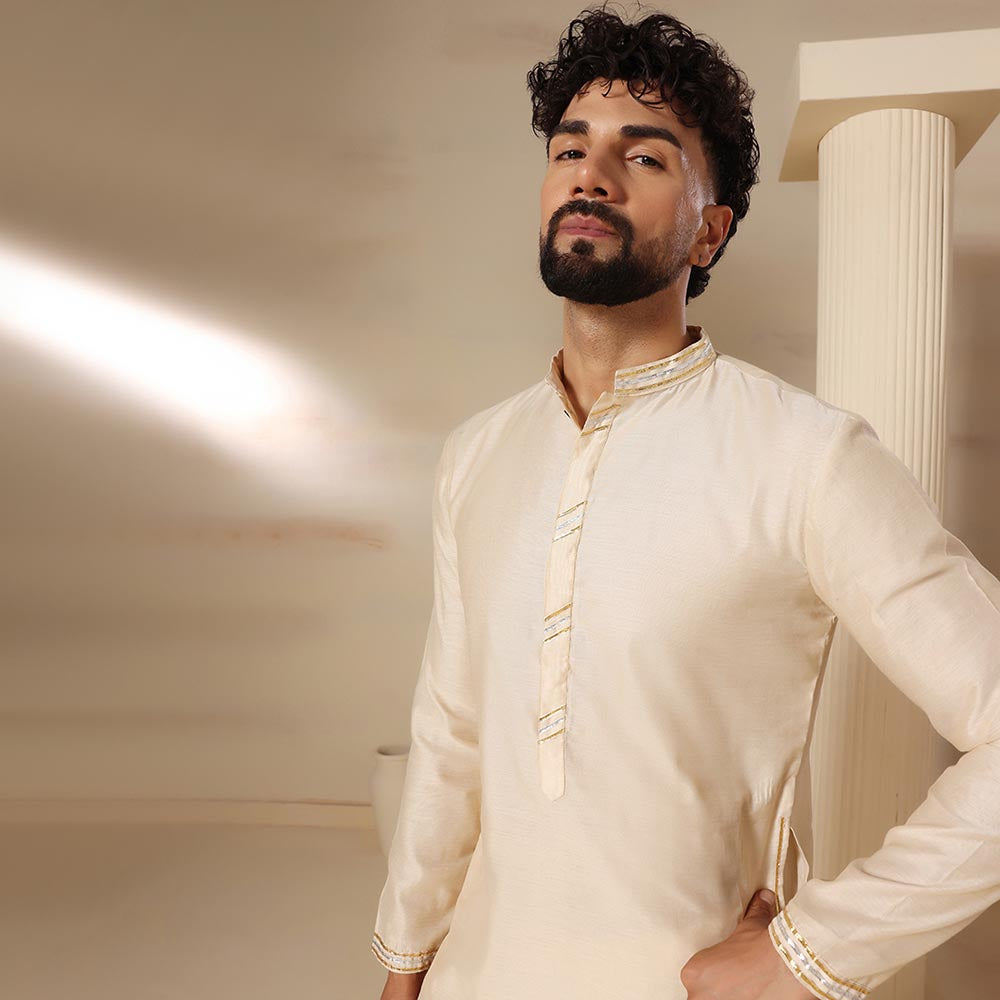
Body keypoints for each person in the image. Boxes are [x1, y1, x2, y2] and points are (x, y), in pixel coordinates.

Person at [371, 6, 1000, 1000]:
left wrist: (808, 954)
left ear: (710, 230)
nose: (591, 174)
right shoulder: (477, 456)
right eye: (570, 149)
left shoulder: (807, 456)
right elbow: (452, 731)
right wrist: (405, 961)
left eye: (643, 156)